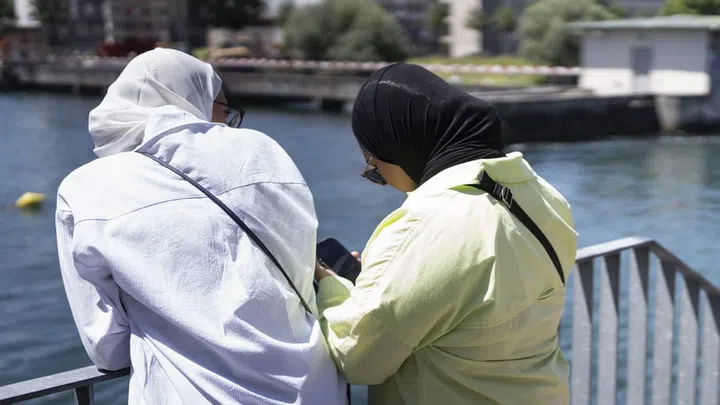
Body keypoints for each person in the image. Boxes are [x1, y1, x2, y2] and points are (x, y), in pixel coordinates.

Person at [55, 48, 346, 404]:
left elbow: (107, 349)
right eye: (224, 109)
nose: (227, 122)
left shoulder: (85, 189)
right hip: (314, 390)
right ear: (192, 99)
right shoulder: (265, 150)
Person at [314, 63, 578, 405]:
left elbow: (355, 358)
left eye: (374, 169)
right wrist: (390, 278)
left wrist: (331, 286)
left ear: (399, 145)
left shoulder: (427, 225)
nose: (382, 181)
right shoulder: (543, 196)